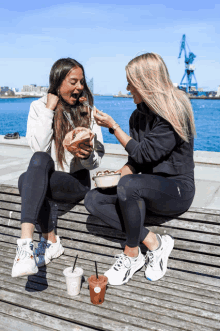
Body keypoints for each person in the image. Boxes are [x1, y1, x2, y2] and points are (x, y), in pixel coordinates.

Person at [84, 52, 196, 286]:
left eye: (131, 82)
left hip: (177, 190)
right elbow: (139, 160)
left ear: (146, 82)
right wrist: (124, 171)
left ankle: (131, 253)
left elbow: (145, 153)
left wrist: (113, 127)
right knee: (93, 199)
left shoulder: (174, 111)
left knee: (129, 184)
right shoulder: (137, 117)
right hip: (146, 188)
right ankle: (154, 242)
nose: (127, 88)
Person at [12, 58, 104, 278]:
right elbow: (39, 148)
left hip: (75, 182)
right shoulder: (38, 107)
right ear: (58, 81)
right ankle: (27, 245)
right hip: (47, 178)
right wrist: (49, 110)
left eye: (81, 82)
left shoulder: (88, 111)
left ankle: (47, 240)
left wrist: (87, 154)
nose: (79, 87)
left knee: (27, 181)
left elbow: (97, 161)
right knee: (32, 170)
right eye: (73, 81)